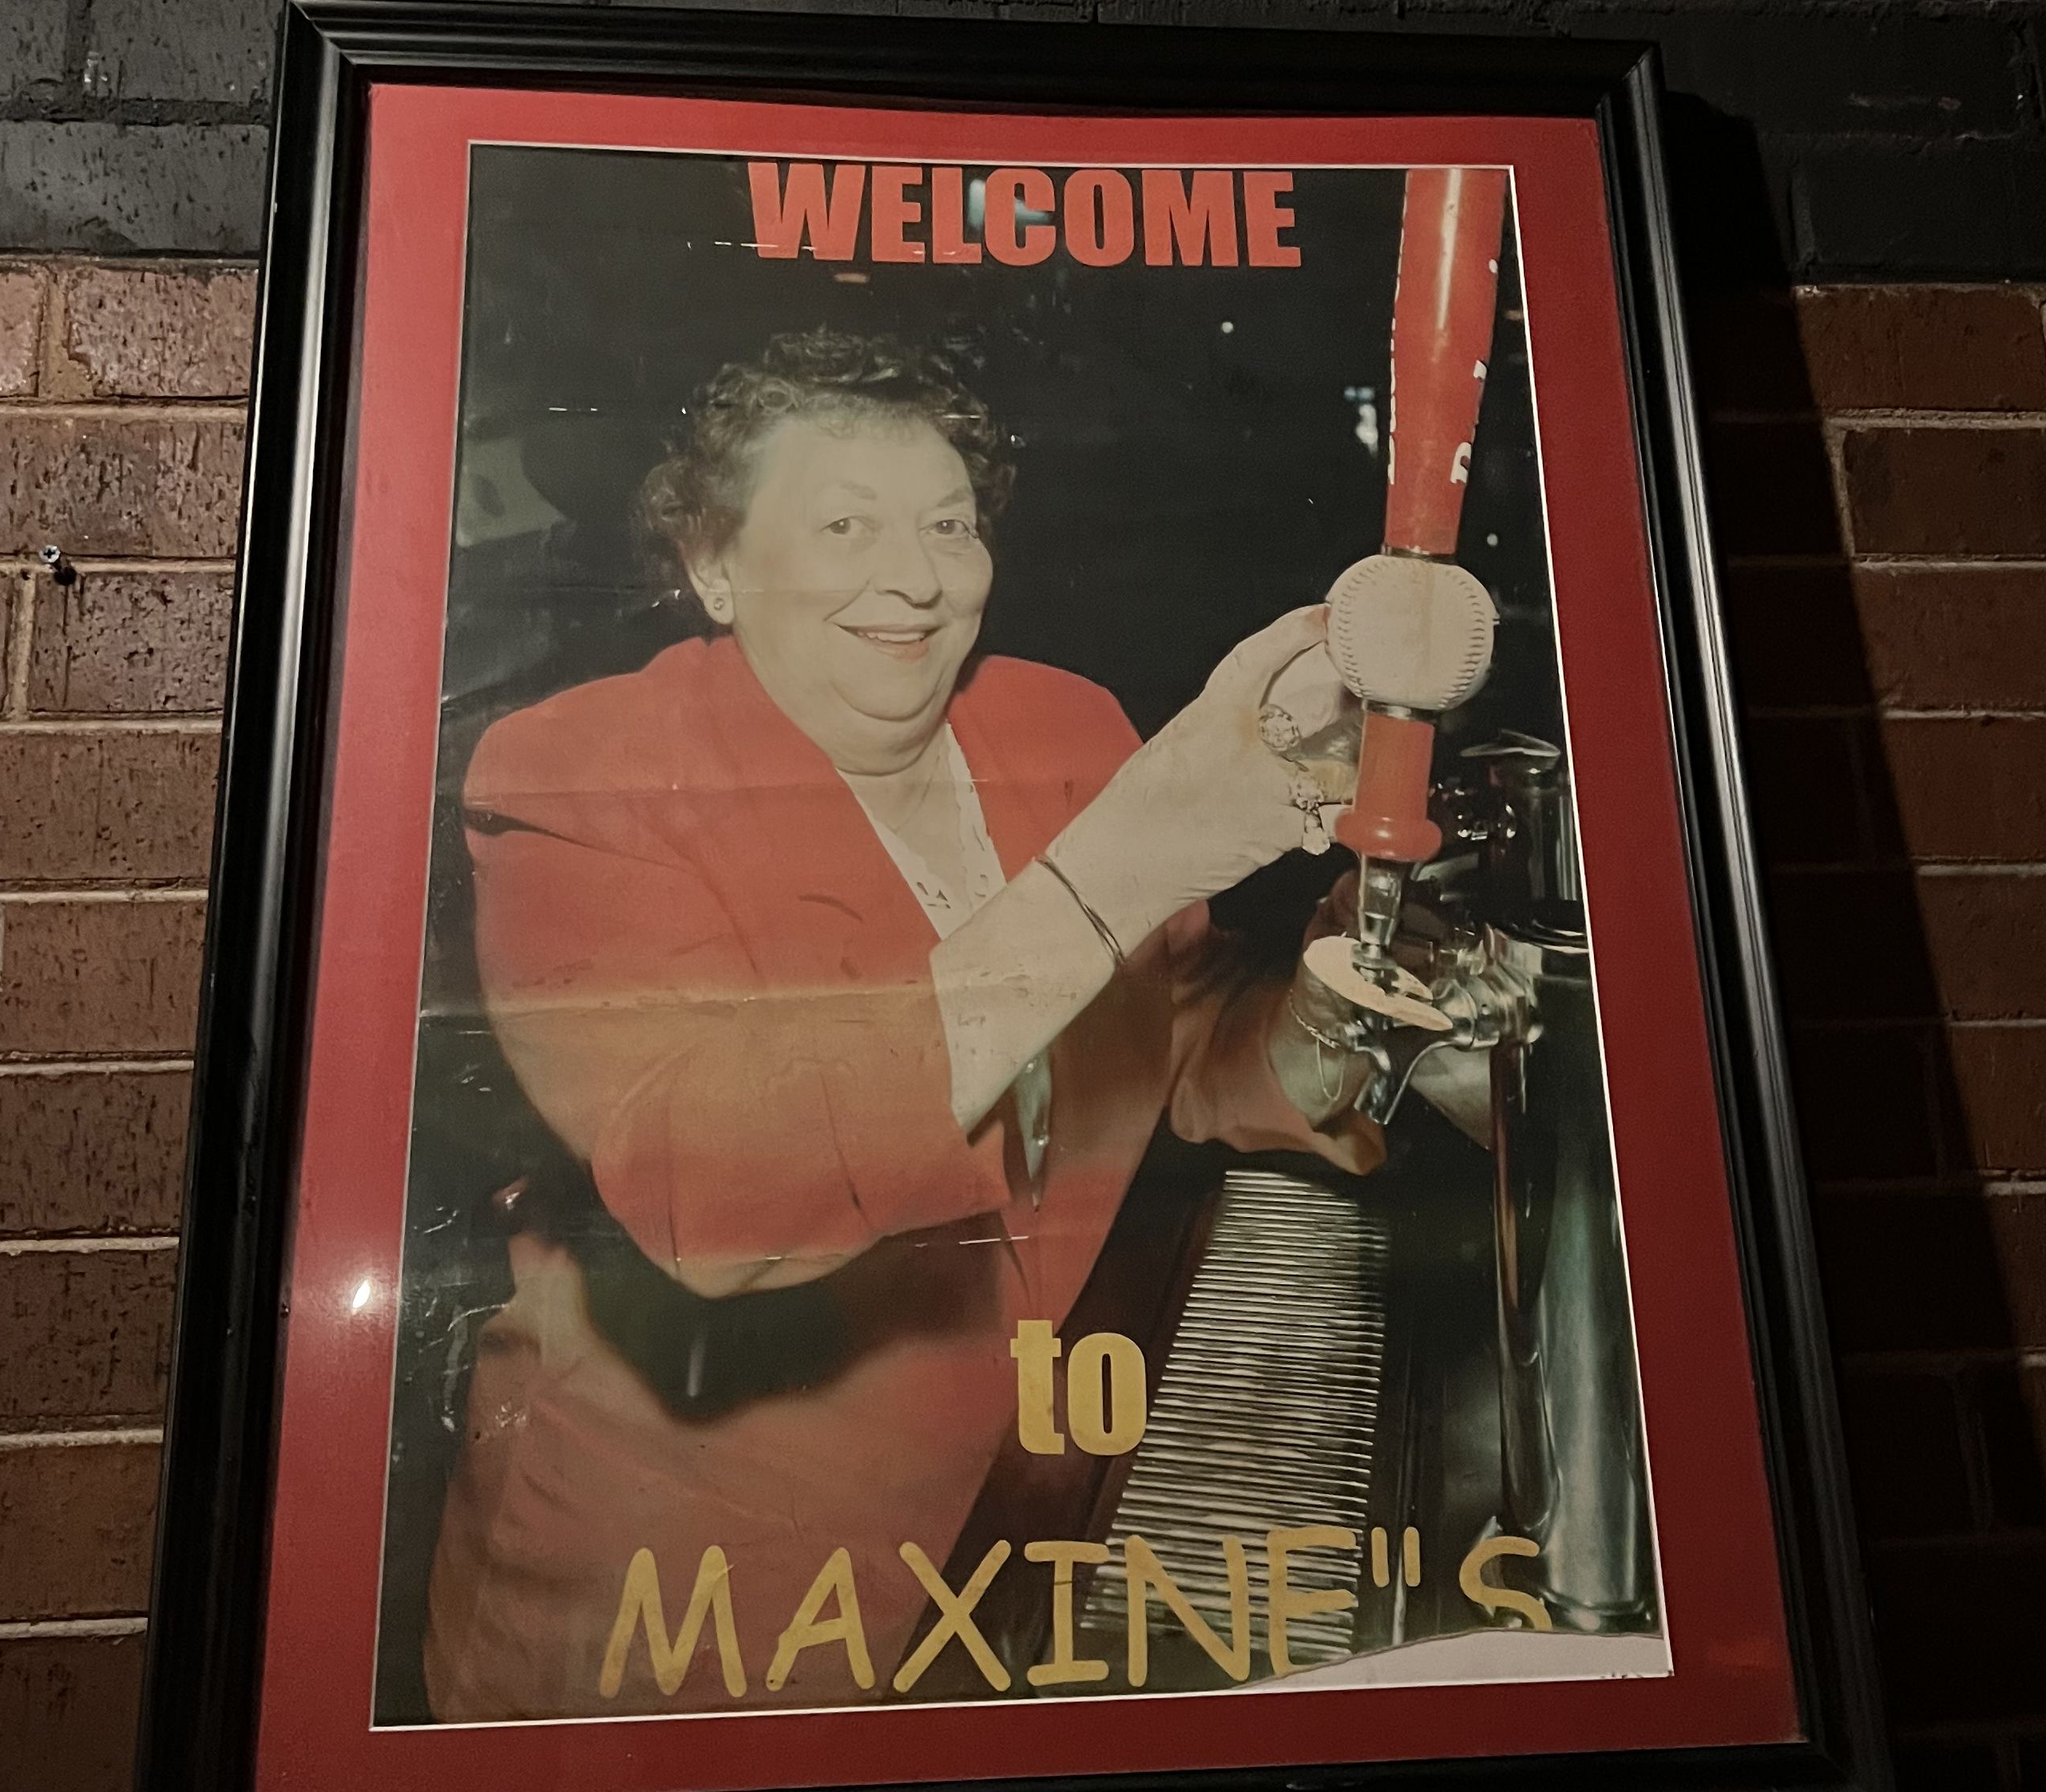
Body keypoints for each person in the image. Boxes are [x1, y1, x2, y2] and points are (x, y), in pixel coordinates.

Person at [422, 328, 1383, 1720]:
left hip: (1015, 1526)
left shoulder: (1065, 725)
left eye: (949, 523)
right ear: (716, 564)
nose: (918, 576)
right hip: (690, 1594)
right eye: (844, 523)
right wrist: (1131, 856)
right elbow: (723, 1192)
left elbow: (1179, 1039)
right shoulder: (577, 777)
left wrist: (1326, 1020)